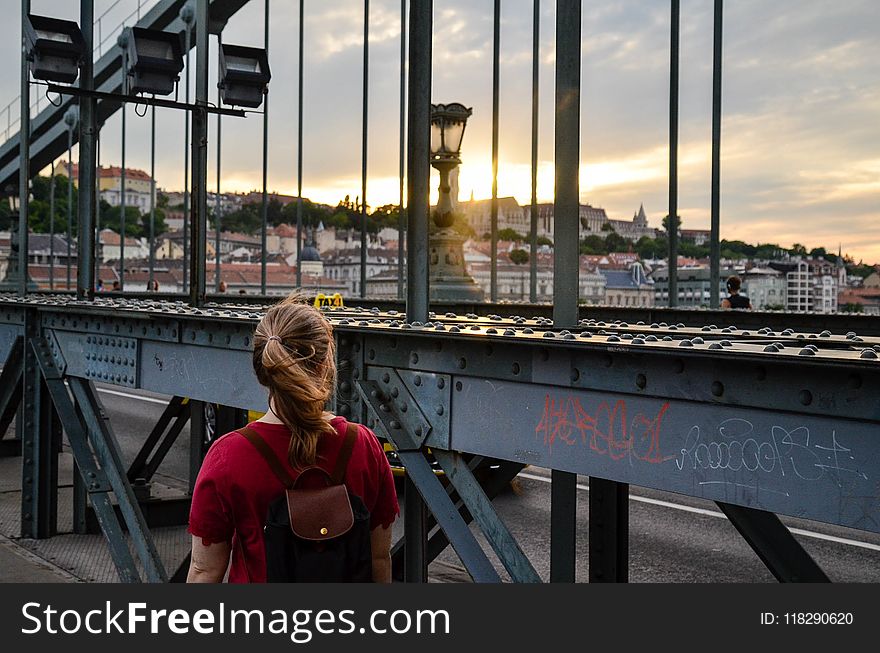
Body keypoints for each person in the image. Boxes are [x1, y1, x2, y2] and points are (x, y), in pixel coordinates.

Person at [187, 294, 398, 583]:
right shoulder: (363, 445)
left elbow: (205, 571)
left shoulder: (229, 456)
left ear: (262, 370)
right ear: (325, 366)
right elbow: (379, 559)